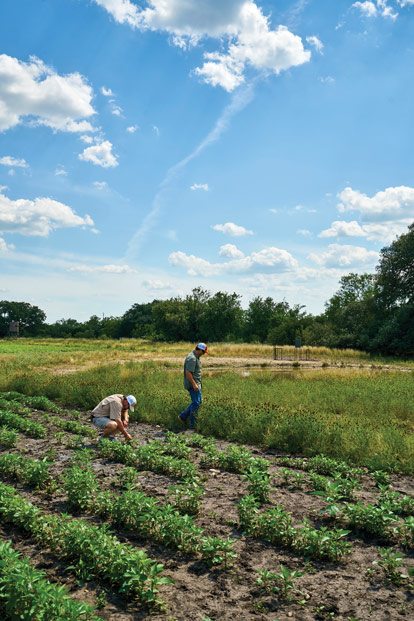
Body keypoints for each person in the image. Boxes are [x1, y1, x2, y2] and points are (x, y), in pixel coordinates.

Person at [178, 343, 207, 430]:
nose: (204, 353)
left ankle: (183, 416)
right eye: (203, 352)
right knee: (196, 403)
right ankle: (192, 426)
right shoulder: (192, 358)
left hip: (196, 383)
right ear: (200, 350)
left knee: (198, 402)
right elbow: (188, 373)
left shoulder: (196, 357)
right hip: (193, 384)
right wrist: (194, 384)